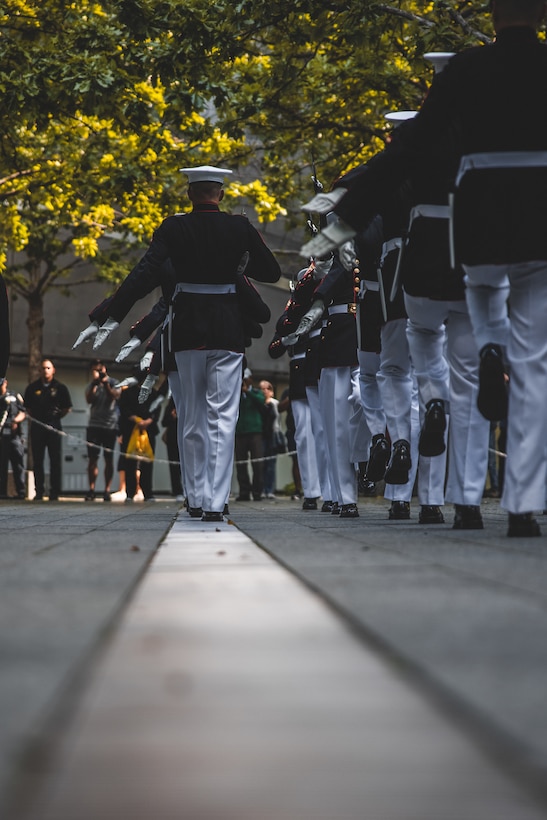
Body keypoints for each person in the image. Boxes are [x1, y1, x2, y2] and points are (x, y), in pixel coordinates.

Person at [302, 0, 547, 537]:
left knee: (449, 356)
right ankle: (524, 504)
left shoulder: (467, 73)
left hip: (475, 226)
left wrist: (346, 209)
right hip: (538, 219)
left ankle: (463, 496)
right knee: (534, 362)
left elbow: (405, 153)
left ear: (494, 14)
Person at [75, 165, 280, 522]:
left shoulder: (174, 226)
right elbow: (272, 272)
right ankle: (216, 502)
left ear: (190, 194)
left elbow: (144, 273)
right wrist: (238, 263)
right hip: (228, 332)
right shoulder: (238, 227)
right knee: (223, 418)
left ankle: (196, 497)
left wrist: (108, 315)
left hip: (187, 331)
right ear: (220, 193)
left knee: (192, 419)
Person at [24, 358, 72, 501]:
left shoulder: (60, 388)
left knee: (55, 460)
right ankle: (39, 491)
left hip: (54, 427)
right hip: (38, 428)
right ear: (40, 370)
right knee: (38, 460)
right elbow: (28, 408)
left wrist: (55, 419)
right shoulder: (32, 388)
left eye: (48, 368)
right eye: (43, 368)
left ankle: (54, 492)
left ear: (53, 370)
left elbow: (66, 408)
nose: (46, 370)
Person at [117, 368, 160, 503]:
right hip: (130, 429)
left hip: (148, 430)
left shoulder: (153, 393)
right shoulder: (127, 393)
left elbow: (156, 409)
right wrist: (135, 419)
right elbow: (123, 409)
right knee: (129, 462)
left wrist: (148, 421)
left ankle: (148, 492)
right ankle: (130, 493)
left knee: (147, 462)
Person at [84, 359, 121, 501]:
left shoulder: (114, 382)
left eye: (99, 370)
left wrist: (105, 382)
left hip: (109, 426)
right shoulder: (92, 385)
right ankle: (91, 489)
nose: (97, 373)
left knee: (108, 459)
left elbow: (114, 396)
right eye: (94, 370)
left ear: (104, 369)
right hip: (94, 426)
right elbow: (89, 399)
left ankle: (107, 490)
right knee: (92, 459)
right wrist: (95, 384)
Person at [234, 367, 265, 502]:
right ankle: (244, 492)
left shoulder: (257, 393)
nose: (244, 382)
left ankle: (257, 492)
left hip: (255, 432)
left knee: (258, 464)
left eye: (246, 379)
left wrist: (248, 392)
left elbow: (261, 402)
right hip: (240, 432)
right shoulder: (236, 394)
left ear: (251, 379)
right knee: (241, 464)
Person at [0, 378, 26, 499]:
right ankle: (2, 493)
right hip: (1, 436)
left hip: (14, 435)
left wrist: (16, 420)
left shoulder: (14, 396)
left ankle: (21, 492)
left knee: (18, 464)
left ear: (6, 383)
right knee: (2, 465)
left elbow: (23, 412)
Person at [259, 379, 280, 500]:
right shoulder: (258, 403)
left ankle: (269, 489)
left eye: (268, 388)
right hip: (261, 435)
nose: (265, 391)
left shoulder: (275, 404)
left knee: (271, 464)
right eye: (262, 388)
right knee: (262, 464)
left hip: (273, 435)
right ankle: (261, 489)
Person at [161, 395, 184, 501]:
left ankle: (188, 488)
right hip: (172, 438)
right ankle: (177, 490)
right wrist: (172, 417)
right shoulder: (171, 405)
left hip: (186, 438)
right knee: (174, 465)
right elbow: (163, 422)